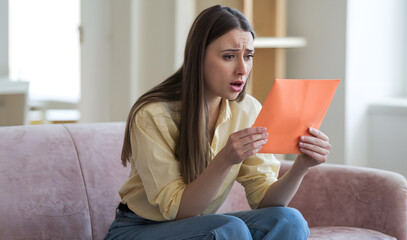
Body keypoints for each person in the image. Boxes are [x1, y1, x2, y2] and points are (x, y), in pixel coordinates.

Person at [104, 5, 331, 240]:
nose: (242, 69)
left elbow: (264, 200)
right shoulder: (152, 115)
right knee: (228, 229)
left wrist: (301, 166)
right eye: (229, 56)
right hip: (137, 229)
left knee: (289, 220)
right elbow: (180, 212)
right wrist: (226, 159)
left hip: (199, 227)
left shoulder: (248, 109)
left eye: (248, 56)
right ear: (199, 56)